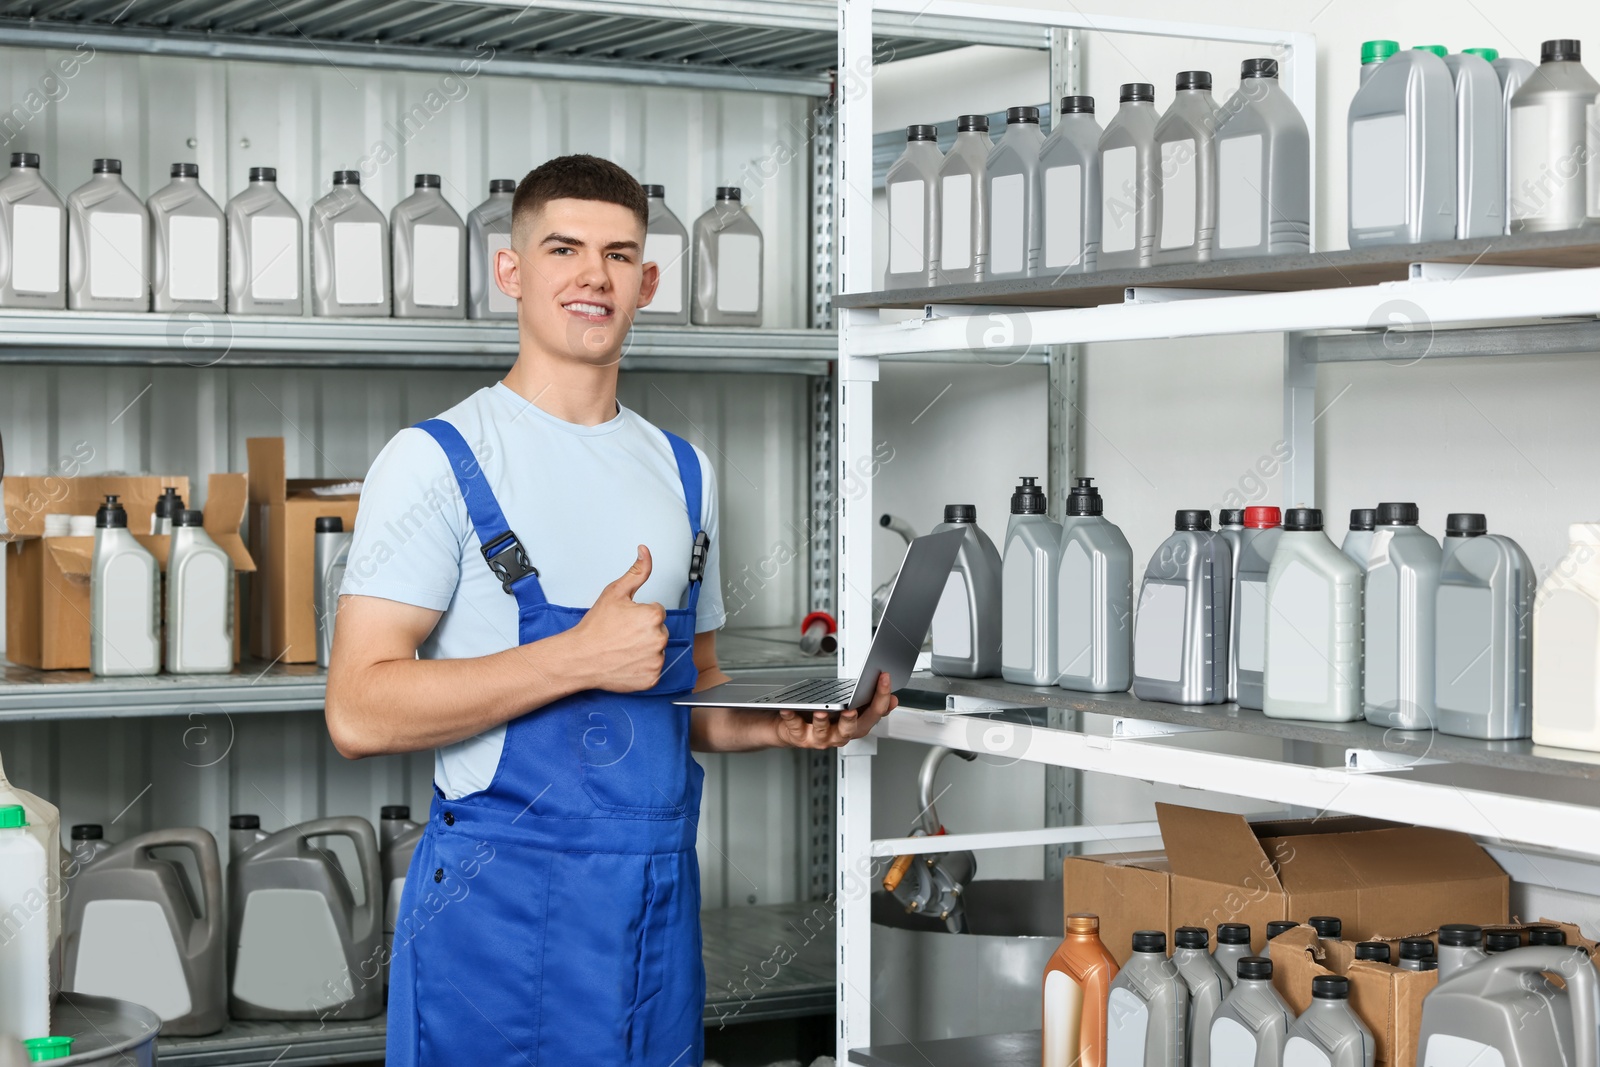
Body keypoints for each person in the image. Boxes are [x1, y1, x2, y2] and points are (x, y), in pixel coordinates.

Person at [324, 154, 897, 1067]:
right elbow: (357, 709)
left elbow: (689, 697)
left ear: (647, 281)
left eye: (620, 255)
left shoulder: (685, 471)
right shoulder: (435, 459)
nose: (594, 275)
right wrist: (575, 656)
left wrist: (785, 725)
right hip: (495, 912)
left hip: (652, 908)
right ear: (511, 272)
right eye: (564, 249)